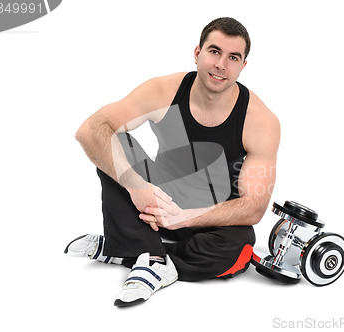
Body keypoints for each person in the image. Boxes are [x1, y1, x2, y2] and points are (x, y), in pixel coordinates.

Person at [65, 17, 280, 307]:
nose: (221, 65)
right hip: (155, 201)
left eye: (233, 57)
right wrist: (137, 187)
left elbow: (253, 206)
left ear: (243, 66)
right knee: (115, 145)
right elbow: (90, 131)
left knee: (241, 246)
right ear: (197, 53)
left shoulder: (260, 121)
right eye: (214, 52)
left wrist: (186, 217)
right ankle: (152, 258)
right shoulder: (164, 90)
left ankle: (130, 250)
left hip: (210, 216)